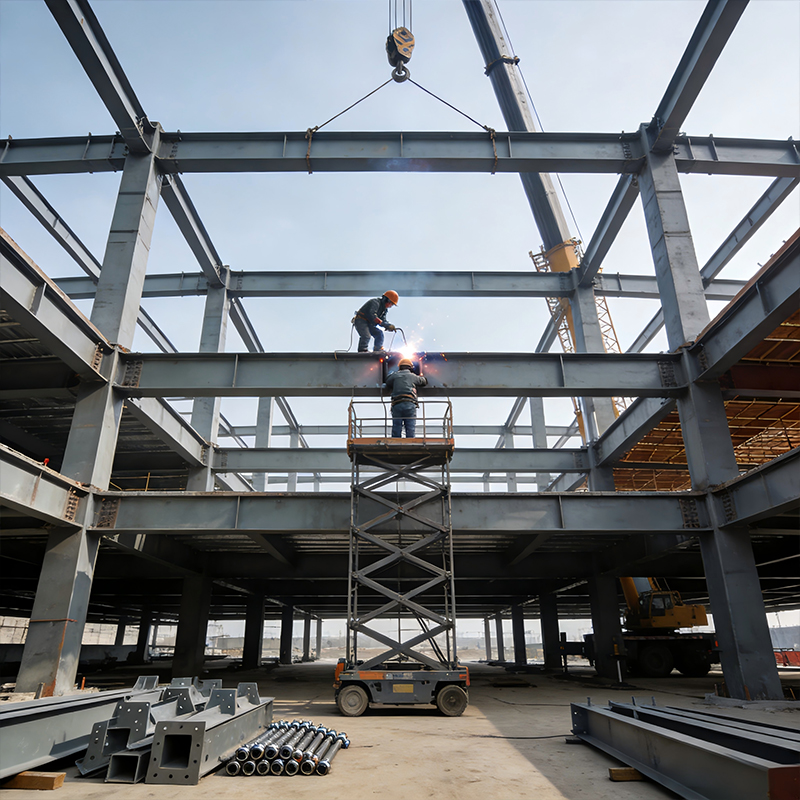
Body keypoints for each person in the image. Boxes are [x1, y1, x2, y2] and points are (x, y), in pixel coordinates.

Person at [384, 357, 428, 438]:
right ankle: (410, 443)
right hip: (409, 404)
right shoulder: (413, 376)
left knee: (397, 427)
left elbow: (387, 381)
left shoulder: (394, 376)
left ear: (400, 367)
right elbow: (423, 381)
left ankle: (396, 442)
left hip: (397, 404)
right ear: (410, 368)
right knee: (410, 427)